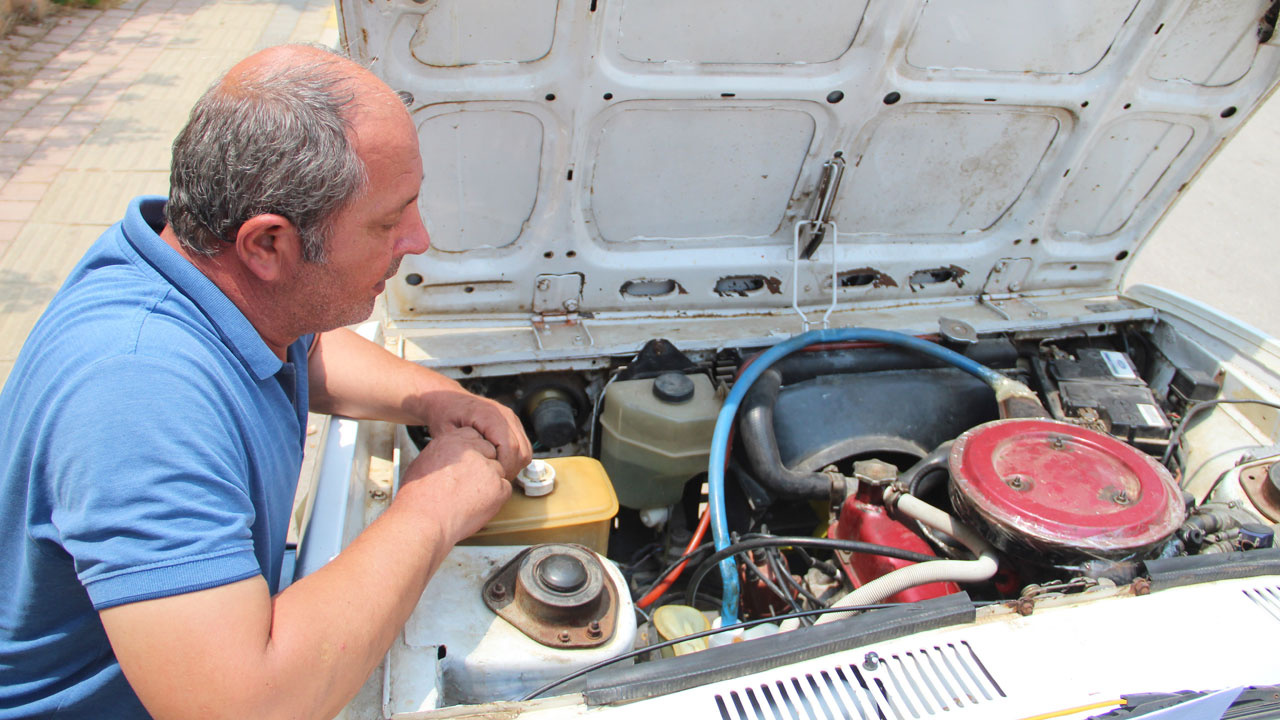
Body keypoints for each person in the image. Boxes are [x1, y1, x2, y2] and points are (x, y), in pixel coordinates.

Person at [0, 44, 532, 719]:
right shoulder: (135, 393)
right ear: (268, 245)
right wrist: (435, 504)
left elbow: (302, 349)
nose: (418, 239)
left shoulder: (197, 276)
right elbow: (243, 708)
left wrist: (432, 397)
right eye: (388, 220)